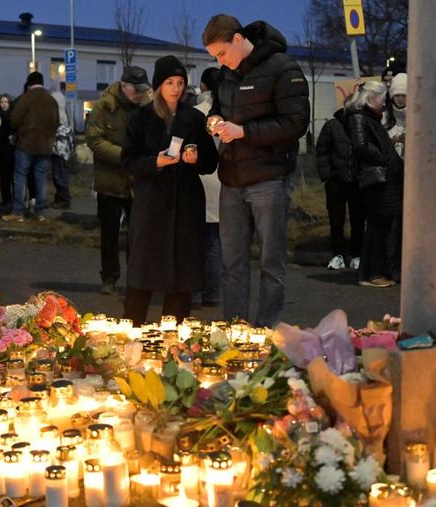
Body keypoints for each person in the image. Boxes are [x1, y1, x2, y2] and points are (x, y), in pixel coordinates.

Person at [202, 14, 310, 327]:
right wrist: (213, 121)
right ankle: (234, 331)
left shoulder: (283, 68)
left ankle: (267, 333)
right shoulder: (227, 73)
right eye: (215, 58)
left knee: (270, 263)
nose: (221, 61)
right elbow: (217, 109)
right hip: (232, 179)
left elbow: (295, 123)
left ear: (237, 39)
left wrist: (244, 132)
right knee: (231, 264)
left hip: (269, 180)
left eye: (222, 53)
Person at [121, 56, 218, 324]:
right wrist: (156, 161)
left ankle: (173, 335)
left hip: (185, 204)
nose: (175, 88)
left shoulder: (195, 118)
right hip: (152, 204)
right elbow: (128, 162)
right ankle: (132, 329)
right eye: (169, 82)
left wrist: (196, 158)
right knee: (143, 271)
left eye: (180, 82)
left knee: (180, 275)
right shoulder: (140, 119)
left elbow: (211, 162)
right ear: (158, 86)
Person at [86, 66, 151, 295]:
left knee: (138, 233)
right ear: (124, 86)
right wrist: (124, 156)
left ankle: (136, 278)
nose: (141, 95)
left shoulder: (148, 105)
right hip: (110, 180)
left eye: (143, 90)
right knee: (109, 233)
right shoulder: (103, 107)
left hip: (137, 181)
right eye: (136, 90)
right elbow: (94, 140)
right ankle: (109, 276)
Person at [345, 81, 403, 288]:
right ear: (371, 98)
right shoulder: (360, 118)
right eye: (382, 98)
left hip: (385, 181)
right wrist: (386, 159)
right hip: (378, 182)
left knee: (382, 227)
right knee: (378, 228)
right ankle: (371, 273)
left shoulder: (369, 118)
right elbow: (360, 146)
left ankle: (377, 271)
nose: (384, 103)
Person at [4, 71, 59, 222]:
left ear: (29, 83)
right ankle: (40, 212)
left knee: (20, 176)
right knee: (41, 178)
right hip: (45, 145)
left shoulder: (25, 98)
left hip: (26, 144)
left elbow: (14, 120)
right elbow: (57, 122)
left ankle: (18, 212)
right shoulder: (51, 100)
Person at [316, 105, 363, 272]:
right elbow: (322, 150)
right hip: (336, 181)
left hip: (358, 182)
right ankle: (338, 255)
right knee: (336, 220)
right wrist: (327, 175)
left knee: (358, 220)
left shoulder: (363, 123)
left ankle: (357, 255)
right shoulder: (332, 126)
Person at [193, 67, 223, 306]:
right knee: (214, 241)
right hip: (223, 182)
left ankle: (193, 290)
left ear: (202, 86)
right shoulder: (229, 113)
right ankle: (212, 293)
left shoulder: (194, 114)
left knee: (195, 241)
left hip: (199, 181)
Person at [50, 81, 73, 209]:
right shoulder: (64, 115)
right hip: (62, 150)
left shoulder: (58, 116)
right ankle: (61, 197)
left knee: (59, 174)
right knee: (59, 173)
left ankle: (63, 198)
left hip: (59, 150)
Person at [0, 94, 16, 213]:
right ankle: (6, 200)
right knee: (4, 177)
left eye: (6, 102)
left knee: (14, 177)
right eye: (2, 102)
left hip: (12, 150)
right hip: (3, 150)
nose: (3, 104)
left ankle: (17, 200)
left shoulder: (13, 116)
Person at [385, 73, 407, 158]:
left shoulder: (419, 118)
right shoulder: (384, 116)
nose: (400, 99)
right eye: (397, 95)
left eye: (404, 95)